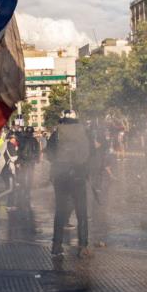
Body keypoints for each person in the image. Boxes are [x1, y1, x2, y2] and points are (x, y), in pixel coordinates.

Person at [47, 110, 91, 258]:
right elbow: (89, 154)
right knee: (81, 211)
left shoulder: (57, 133)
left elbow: (49, 154)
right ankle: (83, 246)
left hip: (60, 175)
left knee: (60, 210)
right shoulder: (83, 133)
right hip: (78, 175)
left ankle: (56, 245)